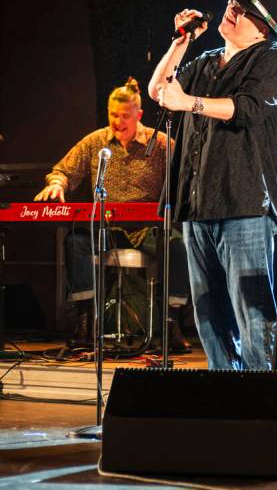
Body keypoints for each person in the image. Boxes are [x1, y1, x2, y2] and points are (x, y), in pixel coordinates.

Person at [148, 0, 277, 371]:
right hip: (198, 201)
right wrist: (181, 43)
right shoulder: (207, 61)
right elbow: (158, 91)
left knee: (251, 306)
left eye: (244, 9)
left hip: (244, 201)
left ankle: (261, 393)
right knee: (208, 308)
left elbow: (248, 109)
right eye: (233, 2)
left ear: (262, 27)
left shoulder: (271, 57)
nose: (232, 9)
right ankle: (225, 388)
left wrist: (190, 103)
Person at [35, 78, 191, 351]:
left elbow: (187, 176)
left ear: (138, 115)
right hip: (106, 228)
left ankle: (171, 321)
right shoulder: (95, 142)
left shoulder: (162, 144)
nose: (118, 122)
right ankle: (86, 319)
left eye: (125, 116)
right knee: (76, 242)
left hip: (147, 228)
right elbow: (63, 171)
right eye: (113, 115)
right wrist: (56, 184)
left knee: (178, 246)